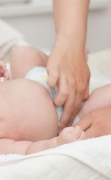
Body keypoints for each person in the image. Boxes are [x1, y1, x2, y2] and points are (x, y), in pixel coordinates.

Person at [48, 0, 91, 133]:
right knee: (100, 100)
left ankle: (71, 58)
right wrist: (55, 144)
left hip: (33, 76)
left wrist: (72, 46)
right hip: (66, 116)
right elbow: (27, 152)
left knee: (21, 53)